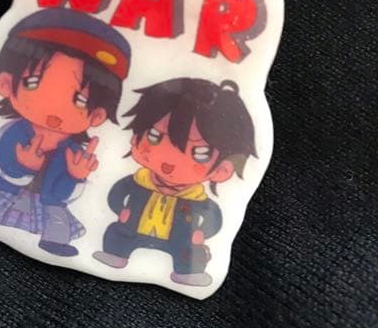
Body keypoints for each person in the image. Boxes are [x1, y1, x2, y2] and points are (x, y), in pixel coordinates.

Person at [0, 7, 131, 257]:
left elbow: (59, 195)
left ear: (97, 115)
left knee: (58, 217)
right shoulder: (15, 132)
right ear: (6, 84)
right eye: (34, 83)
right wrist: (21, 165)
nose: (54, 109)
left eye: (80, 100)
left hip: (44, 201)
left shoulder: (72, 152)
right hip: (1, 186)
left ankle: (54, 243)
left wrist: (75, 176)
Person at [93, 78, 256, 285]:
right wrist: (120, 209)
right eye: (154, 136)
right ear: (135, 139)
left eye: (200, 153)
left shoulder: (197, 199)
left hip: (179, 240)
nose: (169, 159)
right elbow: (116, 194)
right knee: (116, 234)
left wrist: (202, 232)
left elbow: (213, 217)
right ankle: (115, 254)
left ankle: (188, 273)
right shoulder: (139, 182)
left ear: (223, 170)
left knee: (190, 253)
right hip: (132, 230)